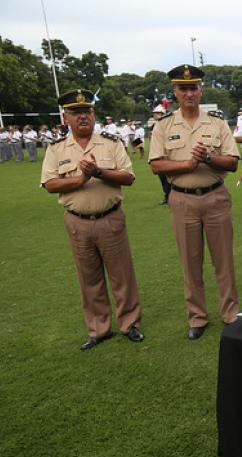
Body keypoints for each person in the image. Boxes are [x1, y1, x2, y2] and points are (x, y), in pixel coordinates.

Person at [40, 89, 144, 350]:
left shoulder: (111, 142)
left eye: (86, 111)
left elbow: (129, 177)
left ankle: (129, 324)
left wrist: (98, 171)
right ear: (66, 117)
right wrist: (81, 179)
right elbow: (50, 184)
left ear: (94, 114)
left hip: (110, 218)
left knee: (122, 275)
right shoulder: (56, 148)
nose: (82, 116)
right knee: (89, 278)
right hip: (77, 221)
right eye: (76, 113)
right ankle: (99, 329)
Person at [149, 64, 240, 341]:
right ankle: (197, 317)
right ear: (175, 92)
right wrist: (188, 164)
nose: (189, 93)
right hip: (183, 199)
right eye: (183, 88)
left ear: (200, 90)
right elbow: (155, 165)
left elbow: (233, 162)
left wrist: (208, 158)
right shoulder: (164, 125)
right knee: (190, 261)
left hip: (215, 196)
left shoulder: (217, 122)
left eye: (193, 87)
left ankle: (230, 313)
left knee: (223, 259)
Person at [149, 105, 172, 204]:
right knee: (162, 178)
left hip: (167, 155)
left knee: (170, 178)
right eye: (155, 113)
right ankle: (167, 196)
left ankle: (172, 196)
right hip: (158, 155)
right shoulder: (155, 126)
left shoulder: (169, 125)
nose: (156, 115)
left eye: (158, 113)